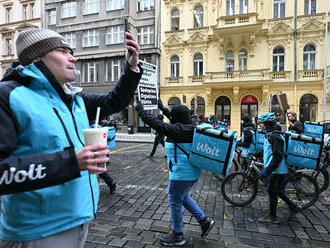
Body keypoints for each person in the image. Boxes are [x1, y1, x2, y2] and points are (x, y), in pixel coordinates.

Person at [0, 28, 142, 247]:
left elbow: (113, 102)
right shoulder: (8, 95)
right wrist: (72, 162)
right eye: (63, 50)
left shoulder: (73, 97)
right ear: (37, 57)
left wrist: (131, 68)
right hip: (37, 231)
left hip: (81, 219)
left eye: (71, 51)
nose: (73, 57)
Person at [135, 102, 215, 246]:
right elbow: (172, 119)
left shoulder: (178, 130)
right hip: (191, 173)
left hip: (181, 174)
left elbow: (156, 124)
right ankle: (204, 221)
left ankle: (178, 235)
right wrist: (161, 106)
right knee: (183, 197)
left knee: (175, 201)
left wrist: (140, 111)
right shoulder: (190, 125)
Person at [258, 113, 302, 224]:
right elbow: (269, 149)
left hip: (278, 170)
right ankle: (293, 207)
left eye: (261, 123)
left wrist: (267, 171)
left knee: (272, 191)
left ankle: (273, 217)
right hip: (277, 169)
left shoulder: (274, 136)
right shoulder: (272, 134)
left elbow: (277, 155)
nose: (260, 125)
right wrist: (257, 153)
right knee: (277, 190)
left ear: (267, 124)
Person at [236, 115, 257, 191]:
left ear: (244, 121)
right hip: (246, 152)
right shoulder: (247, 129)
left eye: (241, 120)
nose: (240, 122)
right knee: (244, 167)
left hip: (249, 152)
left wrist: (237, 144)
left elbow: (246, 143)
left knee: (252, 170)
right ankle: (249, 181)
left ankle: (255, 187)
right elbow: (243, 140)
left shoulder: (248, 130)